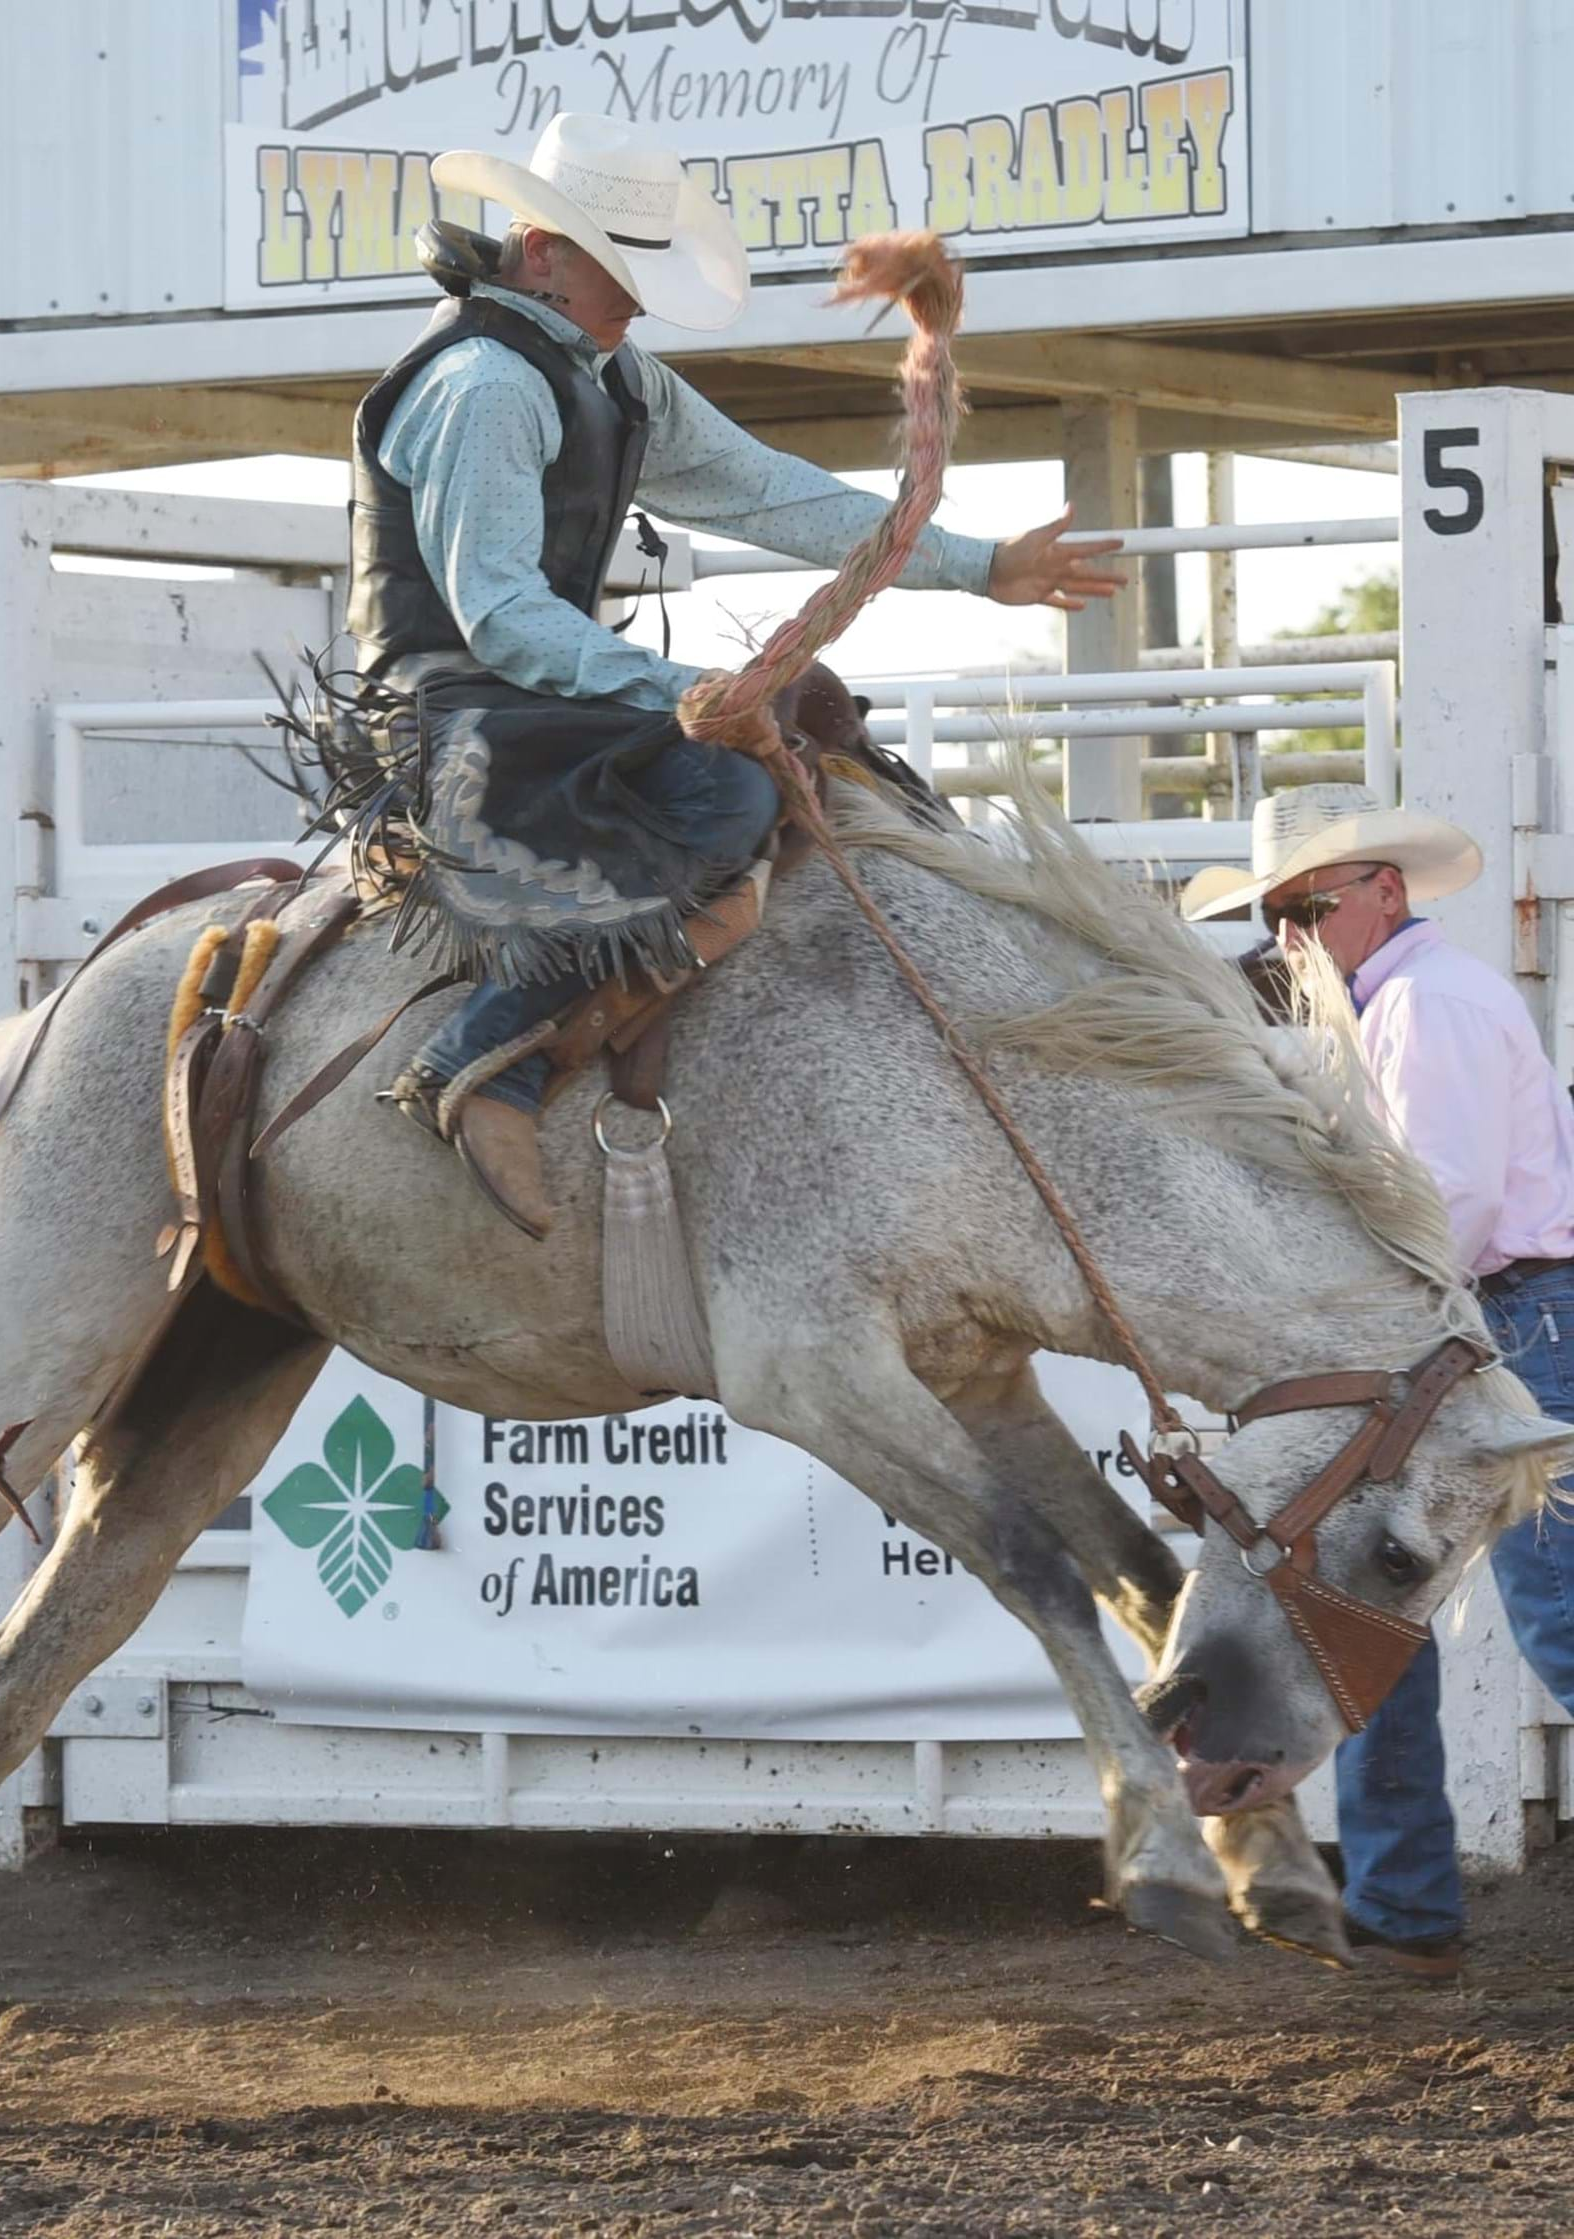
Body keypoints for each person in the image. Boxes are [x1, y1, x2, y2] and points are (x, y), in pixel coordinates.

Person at [329, 111, 1124, 1240]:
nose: (642, 298)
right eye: (624, 267)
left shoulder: (609, 373)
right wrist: (686, 688)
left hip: (531, 698)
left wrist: (981, 564)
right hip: (449, 711)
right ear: (545, 250)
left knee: (819, 739)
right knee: (731, 789)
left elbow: (768, 490)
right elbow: (500, 617)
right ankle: (483, 1057)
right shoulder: (486, 386)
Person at [1185, 785, 1574, 1980]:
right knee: (1372, 1603)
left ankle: (1408, 1904)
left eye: (1309, 905)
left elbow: (1442, 1207)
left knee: (1553, 1610)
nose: (1292, 934)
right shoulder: (1404, 999)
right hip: (1477, 1322)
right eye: (1279, 914)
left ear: (1384, 892)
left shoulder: (1426, 1005)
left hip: (1488, 1324)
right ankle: (1404, 1908)